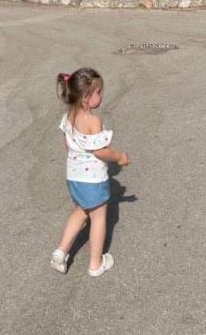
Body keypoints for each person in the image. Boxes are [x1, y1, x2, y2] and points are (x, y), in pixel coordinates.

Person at [51, 67, 131, 277]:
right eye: (98, 92)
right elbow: (100, 151)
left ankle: (61, 251)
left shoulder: (69, 116)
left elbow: (67, 145)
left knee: (81, 211)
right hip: (92, 180)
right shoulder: (93, 121)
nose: (101, 96)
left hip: (74, 176)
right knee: (98, 218)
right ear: (86, 97)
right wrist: (119, 157)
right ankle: (96, 263)